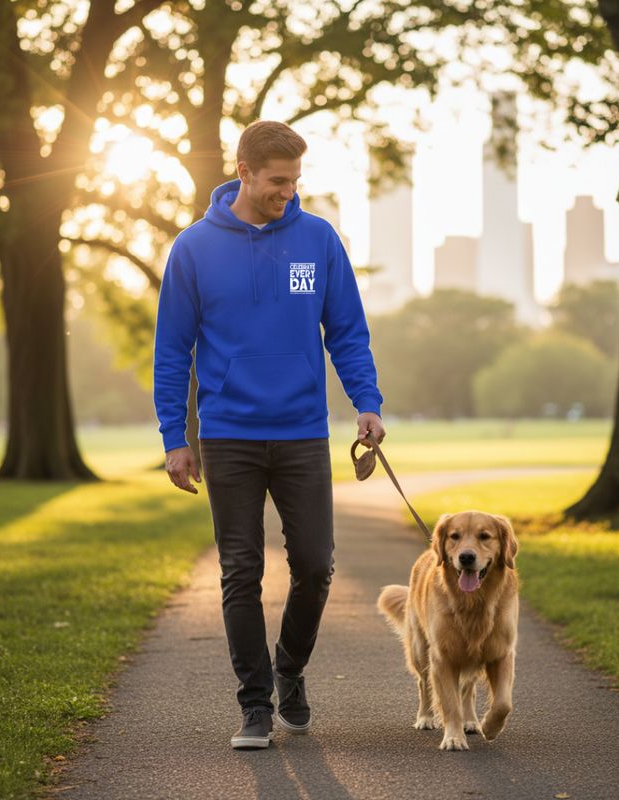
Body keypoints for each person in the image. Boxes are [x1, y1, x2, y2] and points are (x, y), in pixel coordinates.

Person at [153, 120, 385, 750]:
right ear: (244, 172)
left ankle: (289, 669)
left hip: (302, 432)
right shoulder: (194, 248)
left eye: (295, 181)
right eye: (277, 181)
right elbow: (172, 351)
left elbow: (347, 332)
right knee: (241, 570)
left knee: (315, 564)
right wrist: (176, 438)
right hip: (227, 434)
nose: (288, 191)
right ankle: (255, 706)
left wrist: (367, 403)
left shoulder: (318, 240)